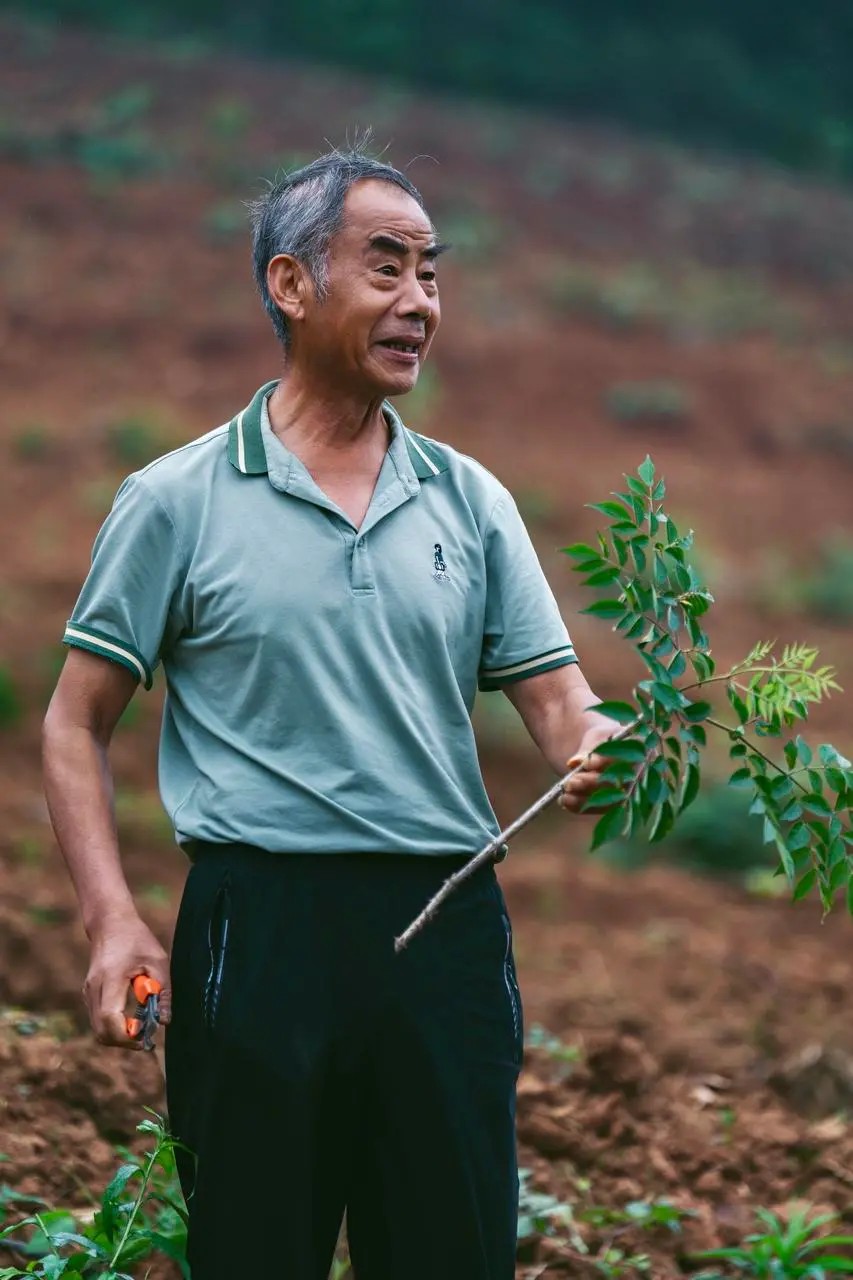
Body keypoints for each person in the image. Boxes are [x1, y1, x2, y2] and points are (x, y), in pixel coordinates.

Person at [42, 145, 620, 1280]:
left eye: (432, 276)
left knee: (449, 1252)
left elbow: (558, 699)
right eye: (386, 267)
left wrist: (592, 741)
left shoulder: (469, 497)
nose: (419, 302)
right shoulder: (177, 498)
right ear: (290, 284)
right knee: (258, 1246)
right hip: (259, 930)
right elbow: (74, 721)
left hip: (445, 929)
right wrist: (112, 918)